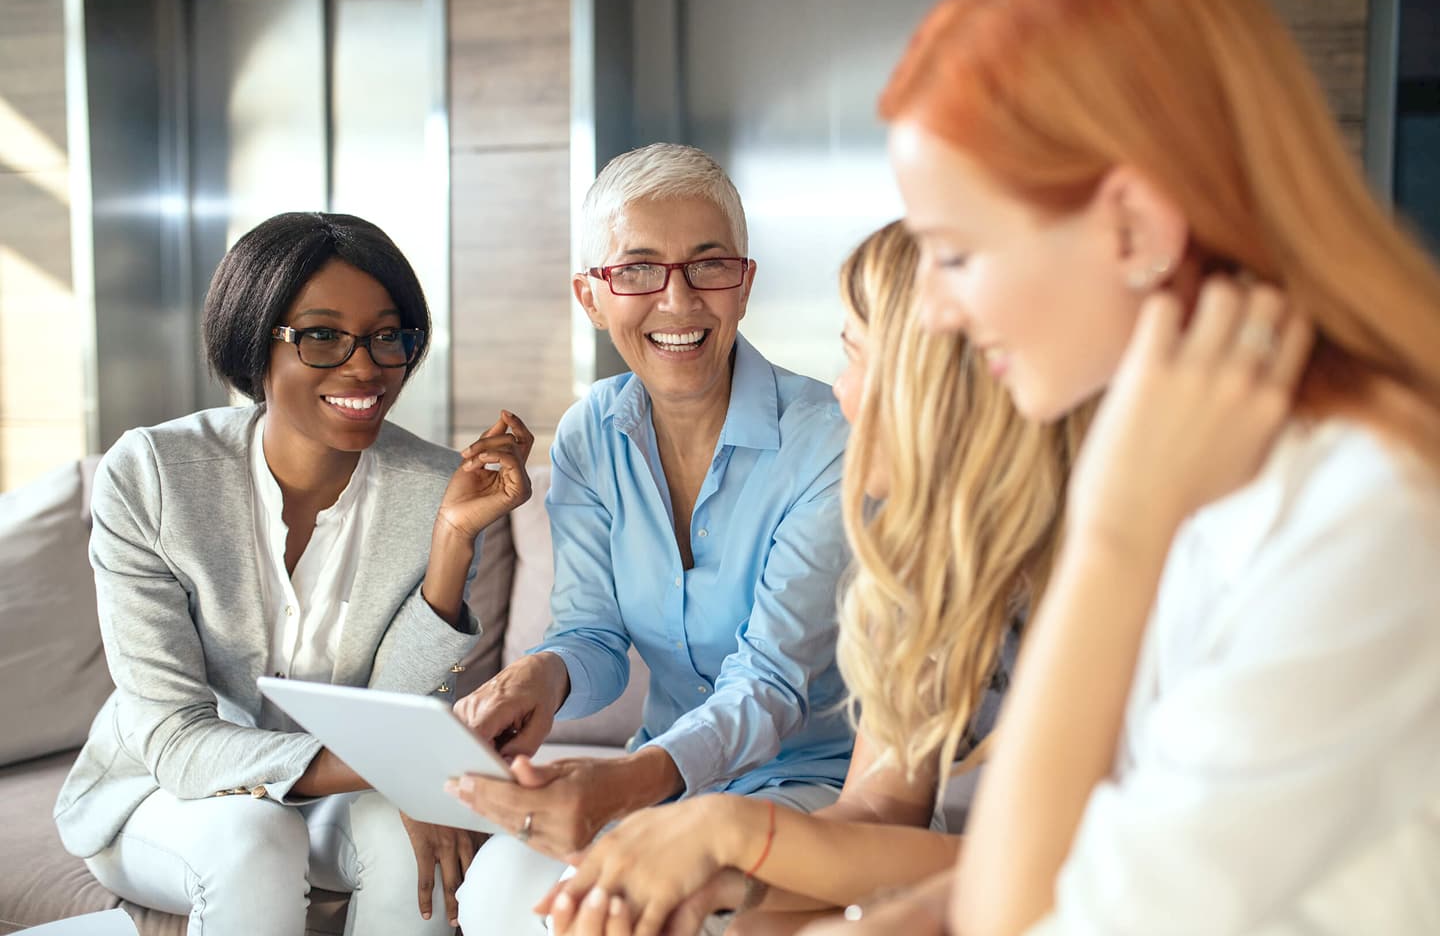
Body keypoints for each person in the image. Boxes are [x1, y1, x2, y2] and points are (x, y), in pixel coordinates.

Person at [817, 0, 1440, 934]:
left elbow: (1035, 920)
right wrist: (922, 913)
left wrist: (1116, 535)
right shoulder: (1221, 465)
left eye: (954, 253)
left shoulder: (1370, 514)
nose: (934, 312)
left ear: (1136, 228)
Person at [536, 221, 1092, 936]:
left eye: (856, 355)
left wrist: (728, 833)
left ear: (943, 379)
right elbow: (881, 811)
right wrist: (726, 884)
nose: (840, 392)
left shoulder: (1099, 562)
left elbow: (1076, 861)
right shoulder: (924, 571)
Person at [53, 212, 534, 936]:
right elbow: (179, 741)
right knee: (255, 838)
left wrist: (453, 540)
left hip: (333, 794)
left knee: (415, 855)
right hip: (159, 795)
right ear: (254, 342)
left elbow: (395, 710)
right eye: (322, 336)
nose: (365, 365)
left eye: (386, 335)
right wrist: (402, 772)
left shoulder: (435, 483)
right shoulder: (153, 476)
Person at [445, 143, 856, 933]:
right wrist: (541, 678)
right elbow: (592, 636)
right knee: (502, 887)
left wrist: (633, 781)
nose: (677, 301)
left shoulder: (828, 441)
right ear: (591, 298)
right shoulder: (589, 433)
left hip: (815, 786)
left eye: (708, 266)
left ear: (744, 285)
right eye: (636, 270)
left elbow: (771, 683)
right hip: (667, 775)